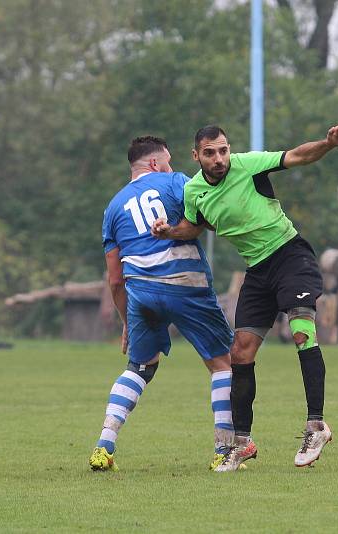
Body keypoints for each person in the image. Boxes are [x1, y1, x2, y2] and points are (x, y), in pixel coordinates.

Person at [152, 123, 338, 470]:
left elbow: (298, 156)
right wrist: (169, 230)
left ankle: (316, 427)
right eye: (211, 153)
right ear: (196, 155)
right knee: (240, 352)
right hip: (258, 271)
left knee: (302, 330)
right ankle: (242, 443)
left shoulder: (249, 165)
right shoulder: (194, 191)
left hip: (290, 255)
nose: (219, 159)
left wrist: (327, 143)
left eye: (224, 150)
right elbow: (194, 225)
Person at [89, 136, 236, 472]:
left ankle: (104, 444)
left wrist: (127, 320)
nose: (171, 166)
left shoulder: (112, 208)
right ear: (155, 163)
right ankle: (224, 451)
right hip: (184, 283)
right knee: (223, 364)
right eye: (168, 161)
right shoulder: (176, 181)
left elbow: (114, 278)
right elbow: (210, 218)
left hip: (141, 292)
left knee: (141, 366)